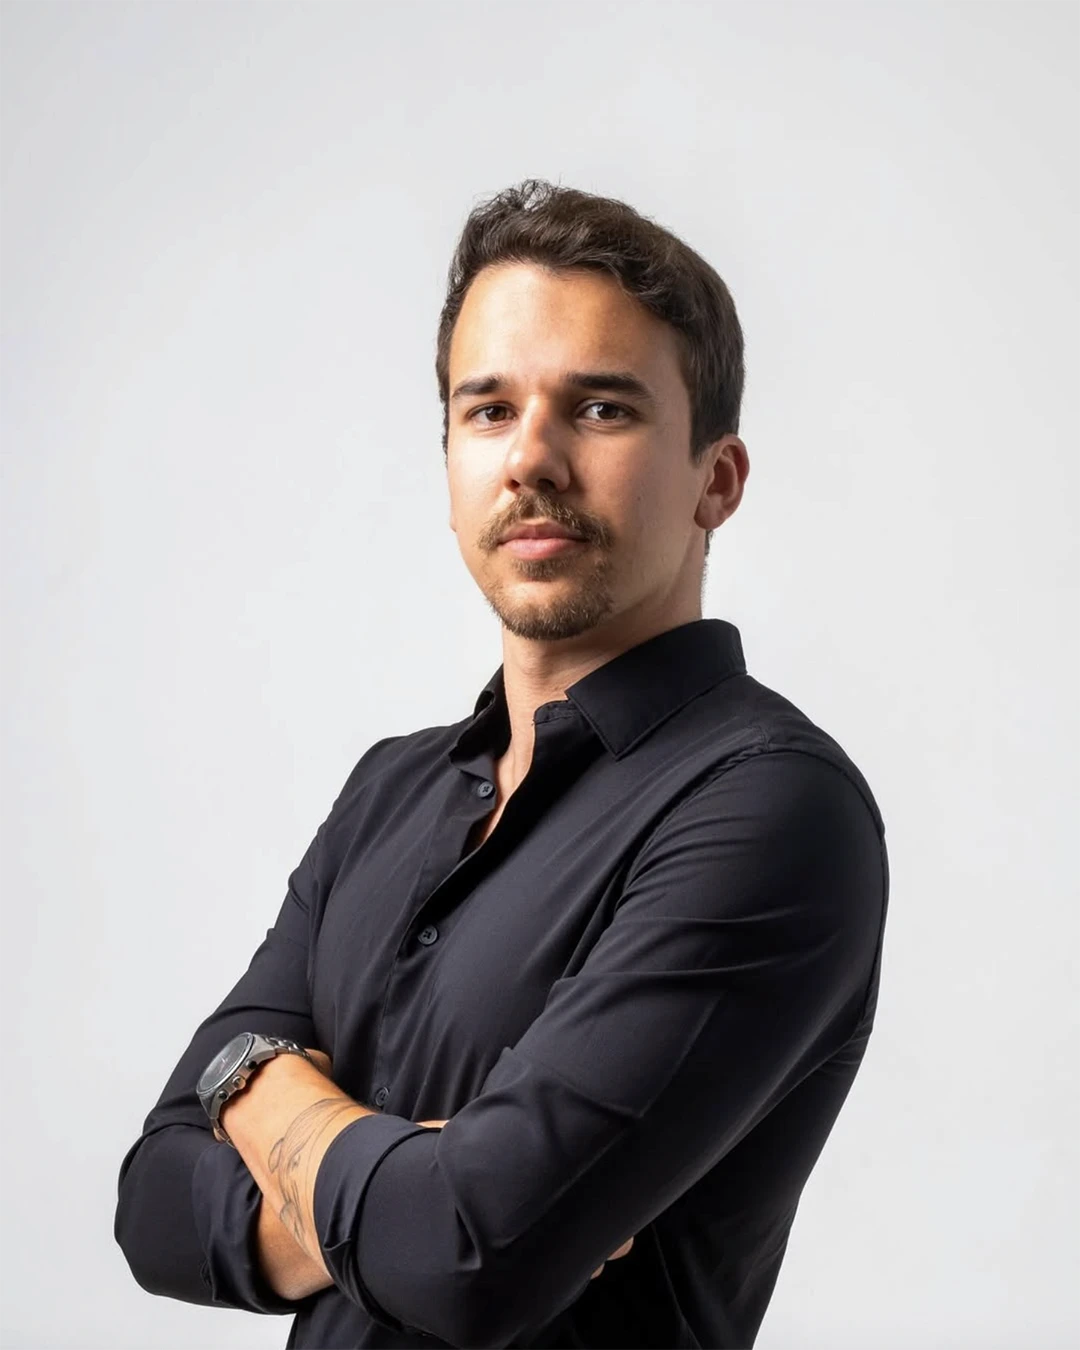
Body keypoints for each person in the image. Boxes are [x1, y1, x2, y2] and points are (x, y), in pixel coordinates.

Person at [114, 178, 889, 1350]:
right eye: (488, 410)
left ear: (715, 482)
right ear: (448, 465)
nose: (532, 457)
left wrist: (262, 1093)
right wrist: (395, 1186)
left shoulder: (770, 806)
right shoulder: (391, 792)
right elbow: (152, 1206)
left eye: (601, 409)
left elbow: (468, 1253)